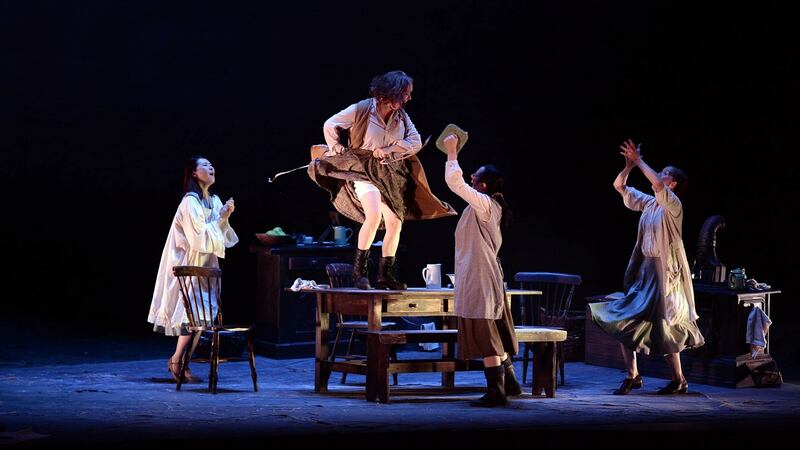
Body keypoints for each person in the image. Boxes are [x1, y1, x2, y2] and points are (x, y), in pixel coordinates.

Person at [308, 70, 455, 290]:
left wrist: (389, 149)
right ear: (391, 93)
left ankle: (386, 275)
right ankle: (360, 274)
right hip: (364, 170)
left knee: (395, 223)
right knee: (374, 215)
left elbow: (415, 142)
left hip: (388, 173)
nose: (409, 98)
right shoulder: (362, 109)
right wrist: (335, 145)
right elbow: (330, 124)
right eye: (405, 93)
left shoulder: (401, 116)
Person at [590, 139, 704, 395]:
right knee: (624, 320)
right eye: (660, 171)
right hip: (646, 272)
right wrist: (629, 166)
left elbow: (656, 185)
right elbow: (619, 186)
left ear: (672, 184)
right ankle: (633, 375)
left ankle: (679, 379)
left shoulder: (673, 206)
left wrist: (640, 161)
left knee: (667, 326)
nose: (660, 175)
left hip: (666, 275)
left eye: (665, 174)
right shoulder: (650, 203)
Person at [442, 134, 521, 407]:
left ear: (482, 185)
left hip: (482, 277)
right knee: (492, 331)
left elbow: (455, 183)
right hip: (480, 275)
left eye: (474, 177)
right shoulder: (481, 207)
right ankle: (510, 383)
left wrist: (452, 152)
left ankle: (496, 392)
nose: (471, 177)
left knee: (487, 334)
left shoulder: (486, 205)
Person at [148, 156, 239, 383]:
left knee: (204, 318)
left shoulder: (214, 200)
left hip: (207, 265)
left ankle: (182, 361)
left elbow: (221, 238)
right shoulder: (190, 201)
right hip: (188, 264)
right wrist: (220, 218)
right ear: (194, 173)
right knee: (190, 317)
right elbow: (197, 238)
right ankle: (178, 360)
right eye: (205, 165)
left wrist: (224, 216)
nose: (211, 167)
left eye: (212, 164)